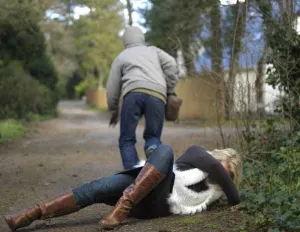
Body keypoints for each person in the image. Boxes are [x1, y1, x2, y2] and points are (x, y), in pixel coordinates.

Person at [4, 145, 242, 231]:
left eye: (226, 176)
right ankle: (29, 215)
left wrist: (226, 181)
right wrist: (219, 169)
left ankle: (123, 206)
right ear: (216, 156)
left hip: (157, 202)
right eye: (221, 168)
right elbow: (211, 164)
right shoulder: (198, 154)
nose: (219, 175)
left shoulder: (215, 193)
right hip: (142, 183)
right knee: (96, 189)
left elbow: (234, 197)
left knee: (164, 151)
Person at [106, 26, 179, 169]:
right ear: (141, 38)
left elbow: (112, 87)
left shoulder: (122, 56)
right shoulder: (154, 51)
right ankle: (154, 166)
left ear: (125, 40)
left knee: (126, 140)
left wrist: (113, 109)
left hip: (133, 94)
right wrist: (170, 88)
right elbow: (171, 63)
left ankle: (133, 177)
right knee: (153, 137)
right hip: (157, 95)